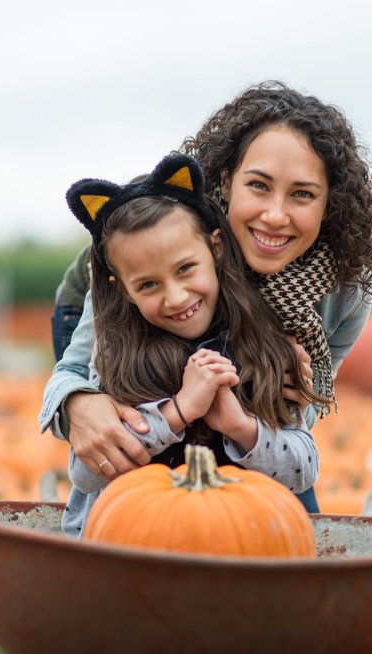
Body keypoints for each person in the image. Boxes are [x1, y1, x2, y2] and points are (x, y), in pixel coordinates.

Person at [41, 80, 372, 513]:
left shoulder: (345, 291)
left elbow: (299, 421)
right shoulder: (168, 251)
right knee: (118, 430)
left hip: (233, 365)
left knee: (290, 507)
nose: (275, 215)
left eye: (302, 194)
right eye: (259, 186)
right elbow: (73, 372)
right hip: (111, 310)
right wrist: (78, 406)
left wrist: (298, 393)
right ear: (226, 182)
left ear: (328, 204)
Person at [59, 153, 319, 536]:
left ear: (215, 248)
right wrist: (176, 413)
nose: (176, 297)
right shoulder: (115, 354)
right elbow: (86, 472)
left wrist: (241, 427)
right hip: (127, 544)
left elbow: (303, 467)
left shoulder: (262, 346)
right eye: (148, 284)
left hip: (235, 540)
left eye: (185, 269)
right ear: (124, 291)